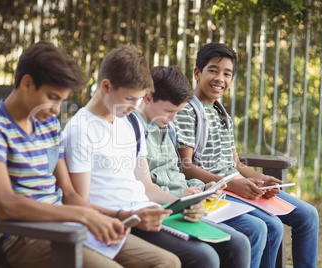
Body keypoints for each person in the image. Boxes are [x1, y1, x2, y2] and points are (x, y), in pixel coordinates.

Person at [0, 41, 180, 268]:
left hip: (67, 226)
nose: (57, 109)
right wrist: (83, 216)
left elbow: (69, 193)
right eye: (52, 97)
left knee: (168, 262)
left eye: (62, 100)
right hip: (26, 237)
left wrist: (106, 218)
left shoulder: (48, 123)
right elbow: (6, 204)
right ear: (27, 83)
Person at [63, 45, 248, 268]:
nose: (134, 107)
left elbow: (146, 187)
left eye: (138, 99)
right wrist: (129, 215)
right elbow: (80, 204)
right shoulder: (80, 129)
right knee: (205, 257)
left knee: (237, 244)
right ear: (106, 86)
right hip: (122, 220)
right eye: (130, 98)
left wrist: (183, 204)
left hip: (148, 212)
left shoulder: (129, 122)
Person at [174, 42, 319, 268]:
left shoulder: (223, 114)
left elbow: (236, 163)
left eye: (227, 73)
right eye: (213, 70)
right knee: (271, 226)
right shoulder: (187, 110)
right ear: (197, 72)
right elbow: (186, 166)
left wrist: (260, 180)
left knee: (308, 215)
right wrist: (232, 185)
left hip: (237, 183)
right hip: (216, 189)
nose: (219, 78)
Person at [135, 65, 263, 267]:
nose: (172, 119)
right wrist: (183, 199)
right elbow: (145, 185)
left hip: (187, 201)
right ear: (148, 97)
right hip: (167, 207)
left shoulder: (166, 126)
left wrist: (202, 188)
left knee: (243, 240)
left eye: (176, 112)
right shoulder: (134, 129)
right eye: (169, 111)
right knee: (229, 246)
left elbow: (176, 172)